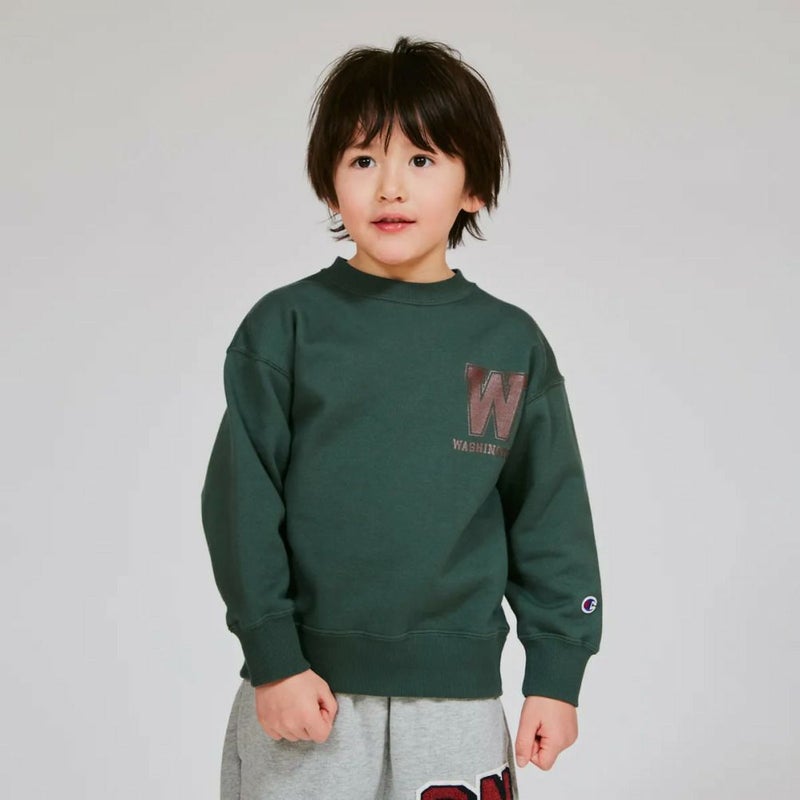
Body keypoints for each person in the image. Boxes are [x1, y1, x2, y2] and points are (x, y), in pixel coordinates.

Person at [200, 34, 603, 800]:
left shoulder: (507, 345)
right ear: (329, 186)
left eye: (421, 159)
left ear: (472, 186)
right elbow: (240, 503)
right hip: (306, 691)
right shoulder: (288, 329)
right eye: (363, 160)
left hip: (457, 705)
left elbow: (548, 516)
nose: (390, 187)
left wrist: (557, 671)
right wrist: (275, 658)